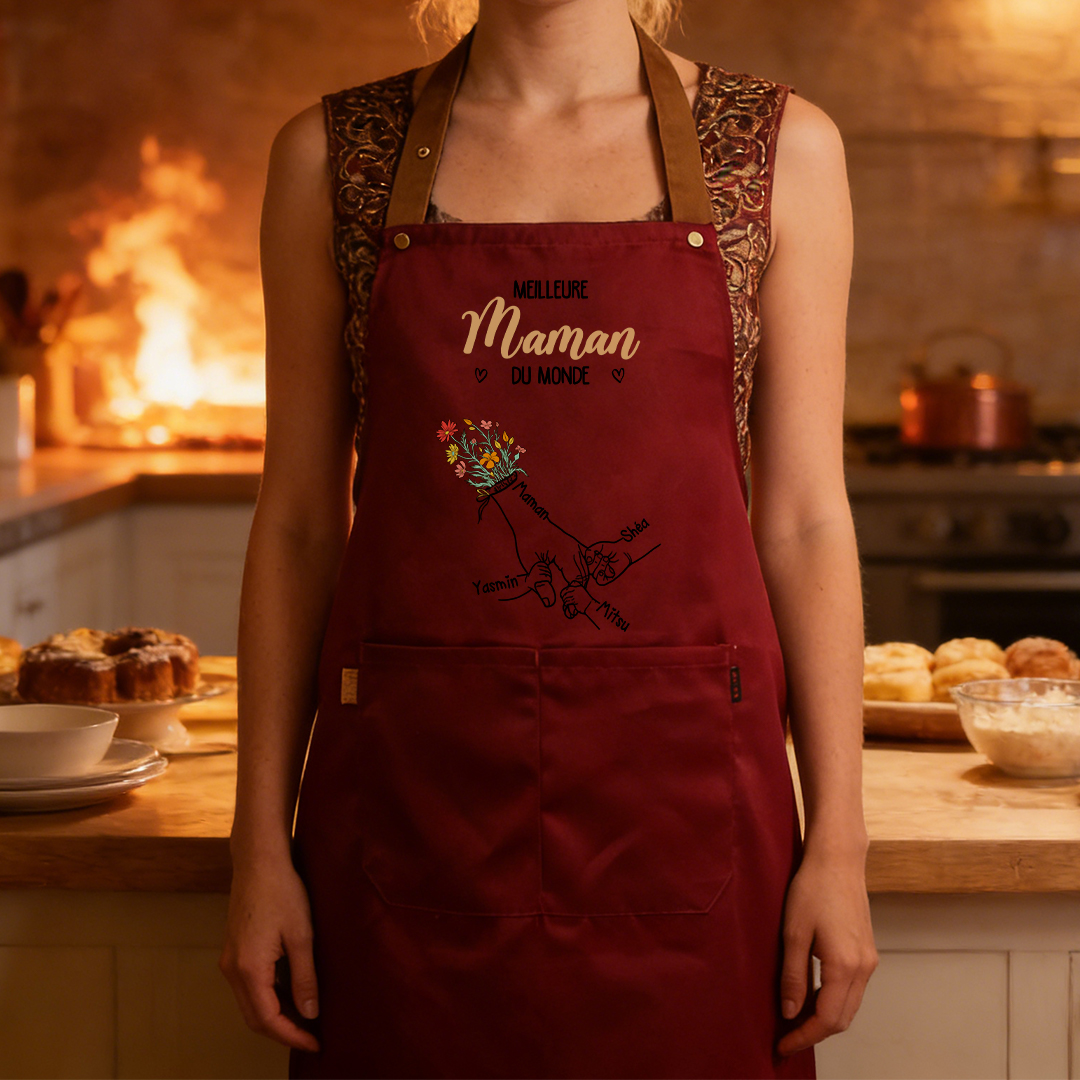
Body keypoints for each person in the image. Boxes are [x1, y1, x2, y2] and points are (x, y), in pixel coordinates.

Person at [219, 0, 878, 1075]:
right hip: (411, 807)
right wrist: (258, 849)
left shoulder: (777, 150)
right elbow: (296, 521)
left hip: (687, 804)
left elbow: (805, 519)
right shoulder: (333, 157)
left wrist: (841, 848)